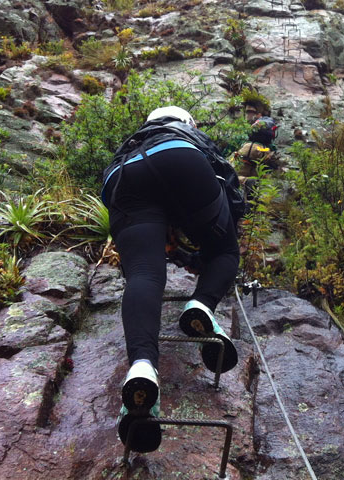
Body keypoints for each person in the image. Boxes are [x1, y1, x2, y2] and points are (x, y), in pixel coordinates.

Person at [101, 105, 240, 452]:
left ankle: (143, 367)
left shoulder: (136, 140)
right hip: (179, 156)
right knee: (225, 252)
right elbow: (226, 190)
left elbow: (163, 238)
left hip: (120, 175)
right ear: (187, 121)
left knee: (143, 274)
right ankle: (202, 306)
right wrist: (212, 249)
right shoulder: (186, 132)